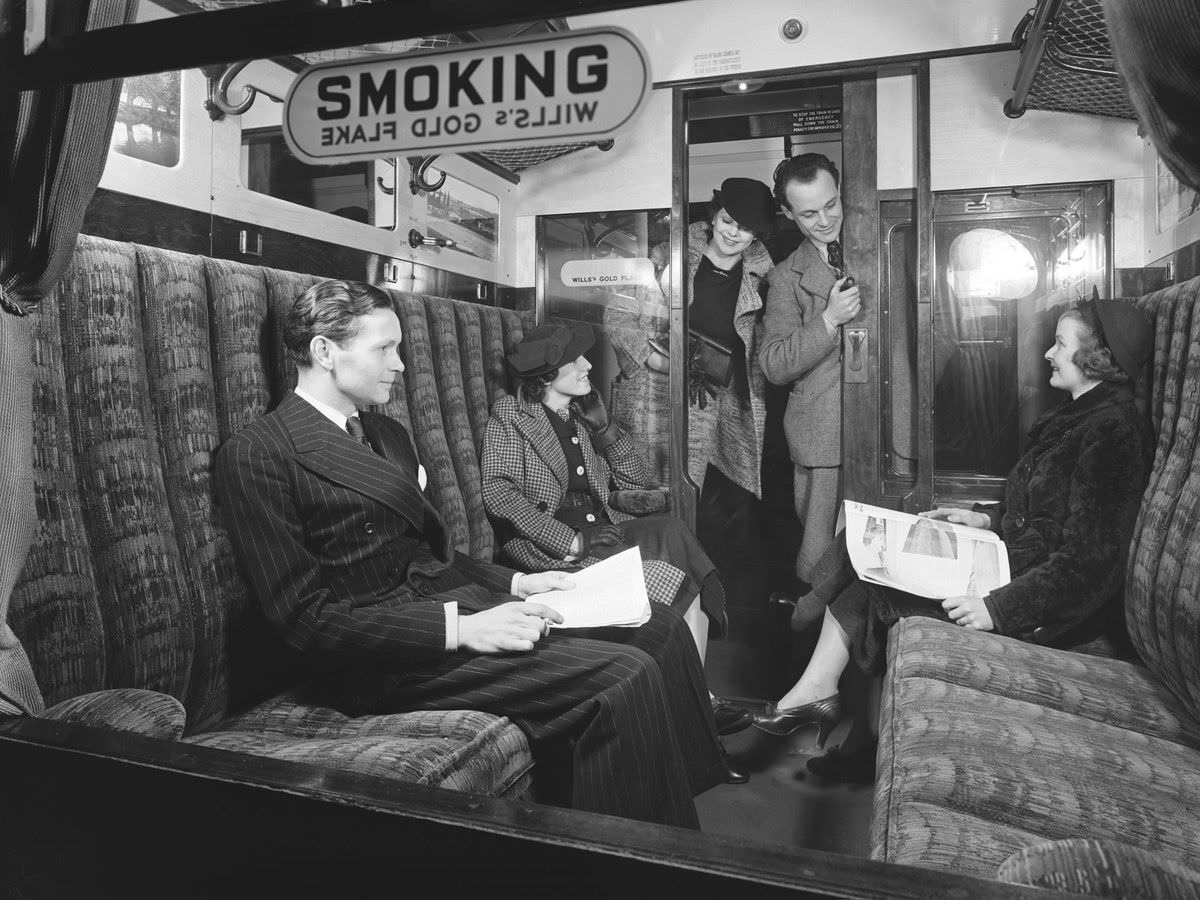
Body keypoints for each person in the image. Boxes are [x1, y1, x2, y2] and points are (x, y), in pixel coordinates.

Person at [214, 279, 730, 828]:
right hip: (383, 657)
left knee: (664, 629)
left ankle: (681, 821)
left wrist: (515, 585)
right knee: (622, 672)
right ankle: (640, 863)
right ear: (324, 350)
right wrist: (460, 629)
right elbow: (304, 620)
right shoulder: (259, 453)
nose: (402, 365)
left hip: (453, 604)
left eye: (400, 348)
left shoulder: (386, 433)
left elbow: (432, 554)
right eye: (384, 349)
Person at [752, 298, 1155, 783]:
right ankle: (830, 696)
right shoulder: (1080, 417)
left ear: (1097, 360)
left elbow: (1091, 563)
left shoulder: (1114, 433)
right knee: (865, 542)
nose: (1048, 352)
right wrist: (984, 520)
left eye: (1060, 344)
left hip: (1037, 603)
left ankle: (818, 679)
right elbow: (1044, 513)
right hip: (1008, 561)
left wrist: (999, 608)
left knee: (876, 581)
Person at [480, 322, 752, 747]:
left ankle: (695, 697)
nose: (588, 364)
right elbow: (498, 493)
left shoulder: (579, 416)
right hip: (554, 549)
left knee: (675, 533)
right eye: (576, 359)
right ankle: (698, 707)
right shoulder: (512, 417)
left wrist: (606, 432)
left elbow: (636, 478)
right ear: (549, 374)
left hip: (603, 531)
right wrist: (563, 540)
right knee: (675, 571)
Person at [604, 177, 775, 600]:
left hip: (711, 399)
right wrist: (663, 363)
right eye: (728, 220)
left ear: (758, 234)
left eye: (746, 227)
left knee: (692, 496)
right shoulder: (668, 257)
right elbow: (619, 318)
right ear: (714, 215)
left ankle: (679, 592)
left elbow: (765, 348)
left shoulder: (766, 277)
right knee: (639, 488)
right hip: (651, 391)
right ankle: (630, 589)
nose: (734, 233)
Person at [760, 153, 862, 610]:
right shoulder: (784, 278)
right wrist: (827, 320)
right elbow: (775, 365)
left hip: (885, 430)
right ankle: (816, 628)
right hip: (822, 437)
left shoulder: (884, 245)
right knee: (824, 560)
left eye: (832, 204)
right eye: (808, 213)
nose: (825, 220)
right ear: (787, 214)